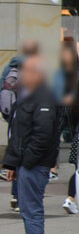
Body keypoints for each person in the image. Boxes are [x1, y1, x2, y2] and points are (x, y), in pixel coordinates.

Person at [3, 54, 59, 234]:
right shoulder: (29, 94)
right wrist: (12, 164)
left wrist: (26, 163)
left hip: (34, 165)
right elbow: (18, 133)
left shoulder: (43, 96)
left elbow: (43, 135)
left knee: (32, 211)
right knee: (28, 210)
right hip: (26, 163)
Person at [1, 39, 40, 211]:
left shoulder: (8, 69)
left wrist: (7, 115)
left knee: (15, 153)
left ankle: (15, 196)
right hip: (27, 117)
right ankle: (21, 196)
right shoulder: (31, 69)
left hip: (12, 117)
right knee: (25, 157)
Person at [54, 40, 79, 214]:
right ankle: (71, 198)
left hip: (77, 128)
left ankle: (71, 198)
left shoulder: (77, 74)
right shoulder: (77, 74)